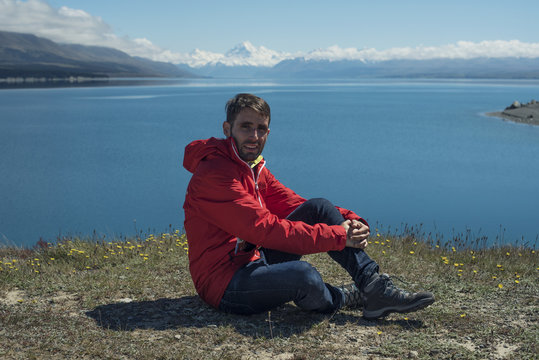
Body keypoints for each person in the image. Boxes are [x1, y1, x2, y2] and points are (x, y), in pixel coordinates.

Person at [182, 93, 434, 319]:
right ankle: (343, 297)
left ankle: (373, 286)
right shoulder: (215, 174)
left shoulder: (253, 167)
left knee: (319, 207)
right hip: (224, 283)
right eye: (246, 127)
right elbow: (262, 229)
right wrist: (338, 236)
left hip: (253, 259)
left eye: (261, 129)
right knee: (303, 276)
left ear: (268, 132)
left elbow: (296, 204)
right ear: (228, 129)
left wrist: (350, 219)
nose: (254, 136)